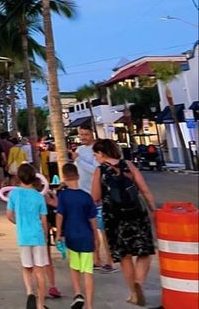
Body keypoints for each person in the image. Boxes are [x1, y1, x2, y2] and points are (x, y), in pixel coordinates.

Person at [91, 139, 157, 307]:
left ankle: (134, 293)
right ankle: (139, 283)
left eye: (95, 154)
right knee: (144, 252)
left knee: (124, 256)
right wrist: (154, 210)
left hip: (114, 217)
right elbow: (144, 189)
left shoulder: (100, 171)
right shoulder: (128, 165)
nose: (95, 158)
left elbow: (95, 197)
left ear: (102, 153)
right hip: (136, 213)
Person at [74, 122, 116, 272]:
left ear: (92, 134)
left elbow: (96, 170)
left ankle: (110, 260)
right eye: (81, 135)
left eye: (86, 135)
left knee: (104, 229)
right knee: (90, 230)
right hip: (83, 194)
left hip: (98, 196)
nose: (83, 137)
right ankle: (96, 258)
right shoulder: (79, 150)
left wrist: (78, 159)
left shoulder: (97, 151)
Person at [7, 163, 50, 309]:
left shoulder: (14, 194)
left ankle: (29, 292)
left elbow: (9, 215)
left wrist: (19, 223)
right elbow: (44, 221)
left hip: (23, 236)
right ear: (34, 178)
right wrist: (45, 236)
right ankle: (40, 304)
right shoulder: (39, 197)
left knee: (27, 267)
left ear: (18, 177)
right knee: (40, 271)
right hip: (37, 236)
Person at [56, 162, 99, 309]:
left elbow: (60, 215)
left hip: (71, 236)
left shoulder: (63, 196)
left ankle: (78, 293)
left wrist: (58, 234)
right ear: (78, 176)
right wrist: (96, 237)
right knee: (88, 271)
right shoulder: (86, 197)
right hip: (86, 236)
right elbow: (92, 219)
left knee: (74, 267)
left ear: (64, 177)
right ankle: (90, 305)